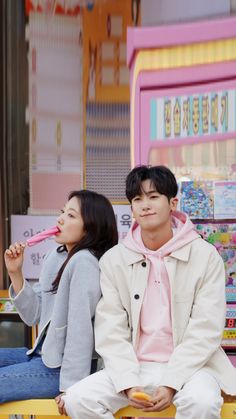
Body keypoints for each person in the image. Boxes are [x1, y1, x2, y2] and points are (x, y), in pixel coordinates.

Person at [60, 165, 236, 419]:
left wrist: (172, 382)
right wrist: (128, 383)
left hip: (194, 367)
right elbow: (110, 330)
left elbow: (206, 329)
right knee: (78, 400)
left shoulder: (205, 256)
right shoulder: (114, 260)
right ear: (131, 209)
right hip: (134, 367)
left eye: (153, 197)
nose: (145, 205)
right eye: (137, 199)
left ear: (173, 202)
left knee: (202, 402)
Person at [1, 189, 118, 403]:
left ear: (91, 226)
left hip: (63, 370)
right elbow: (34, 314)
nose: (60, 219)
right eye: (62, 212)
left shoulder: (84, 262)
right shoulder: (56, 256)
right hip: (42, 355)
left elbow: (80, 329)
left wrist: (71, 389)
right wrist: (15, 273)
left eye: (71, 215)